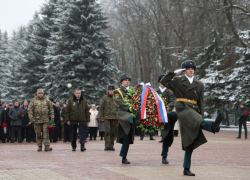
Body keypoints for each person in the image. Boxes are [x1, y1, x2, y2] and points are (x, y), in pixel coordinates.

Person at [160, 60, 222, 176]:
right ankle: (213, 127)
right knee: (197, 121)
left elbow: (201, 102)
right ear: (184, 70)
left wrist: (201, 115)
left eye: (192, 69)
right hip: (182, 108)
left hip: (194, 110)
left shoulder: (199, 84)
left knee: (189, 140)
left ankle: (186, 168)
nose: (191, 70)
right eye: (188, 69)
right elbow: (164, 81)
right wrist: (173, 73)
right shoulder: (178, 80)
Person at [113, 73, 135, 164]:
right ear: (122, 81)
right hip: (122, 113)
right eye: (126, 80)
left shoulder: (132, 91)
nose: (127, 82)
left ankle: (124, 156)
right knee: (129, 123)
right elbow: (118, 102)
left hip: (131, 113)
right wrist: (129, 107)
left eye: (129, 80)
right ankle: (124, 157)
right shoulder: (118, 91)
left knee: (127, 136)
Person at [157, 74, 178, 164]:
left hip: (168, 116)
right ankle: (164, 156)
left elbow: (172, 102)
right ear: (159, 82)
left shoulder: (170, 92)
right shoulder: (155, 92)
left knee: (170, 138)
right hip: (158, 117)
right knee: (165, 137)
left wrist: (165, 109)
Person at [99, 85, 117, 151]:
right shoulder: (104, 98)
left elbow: (119, 107)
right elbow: (101, 108)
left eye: (112, 90)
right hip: (106, 117)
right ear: (108, 91)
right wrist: (101, 116)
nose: (111, 91)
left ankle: (111, 145)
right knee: (107, 132)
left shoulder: (116, 97)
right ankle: (107, 145)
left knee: (113, 132)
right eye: (110, 90)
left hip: (114, 117)